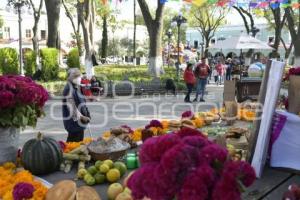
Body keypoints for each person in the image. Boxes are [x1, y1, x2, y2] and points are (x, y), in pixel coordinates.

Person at [62, 68, 91, 142]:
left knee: (77, 144)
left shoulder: (74, 87)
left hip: (78, 124)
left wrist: (87, 113)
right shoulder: (69, 89)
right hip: (74, 124)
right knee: (73, 146)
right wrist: (82, 117)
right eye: (79, 77)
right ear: (73, 78)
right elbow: (71, 107)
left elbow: (81, 102)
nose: (80, 78)